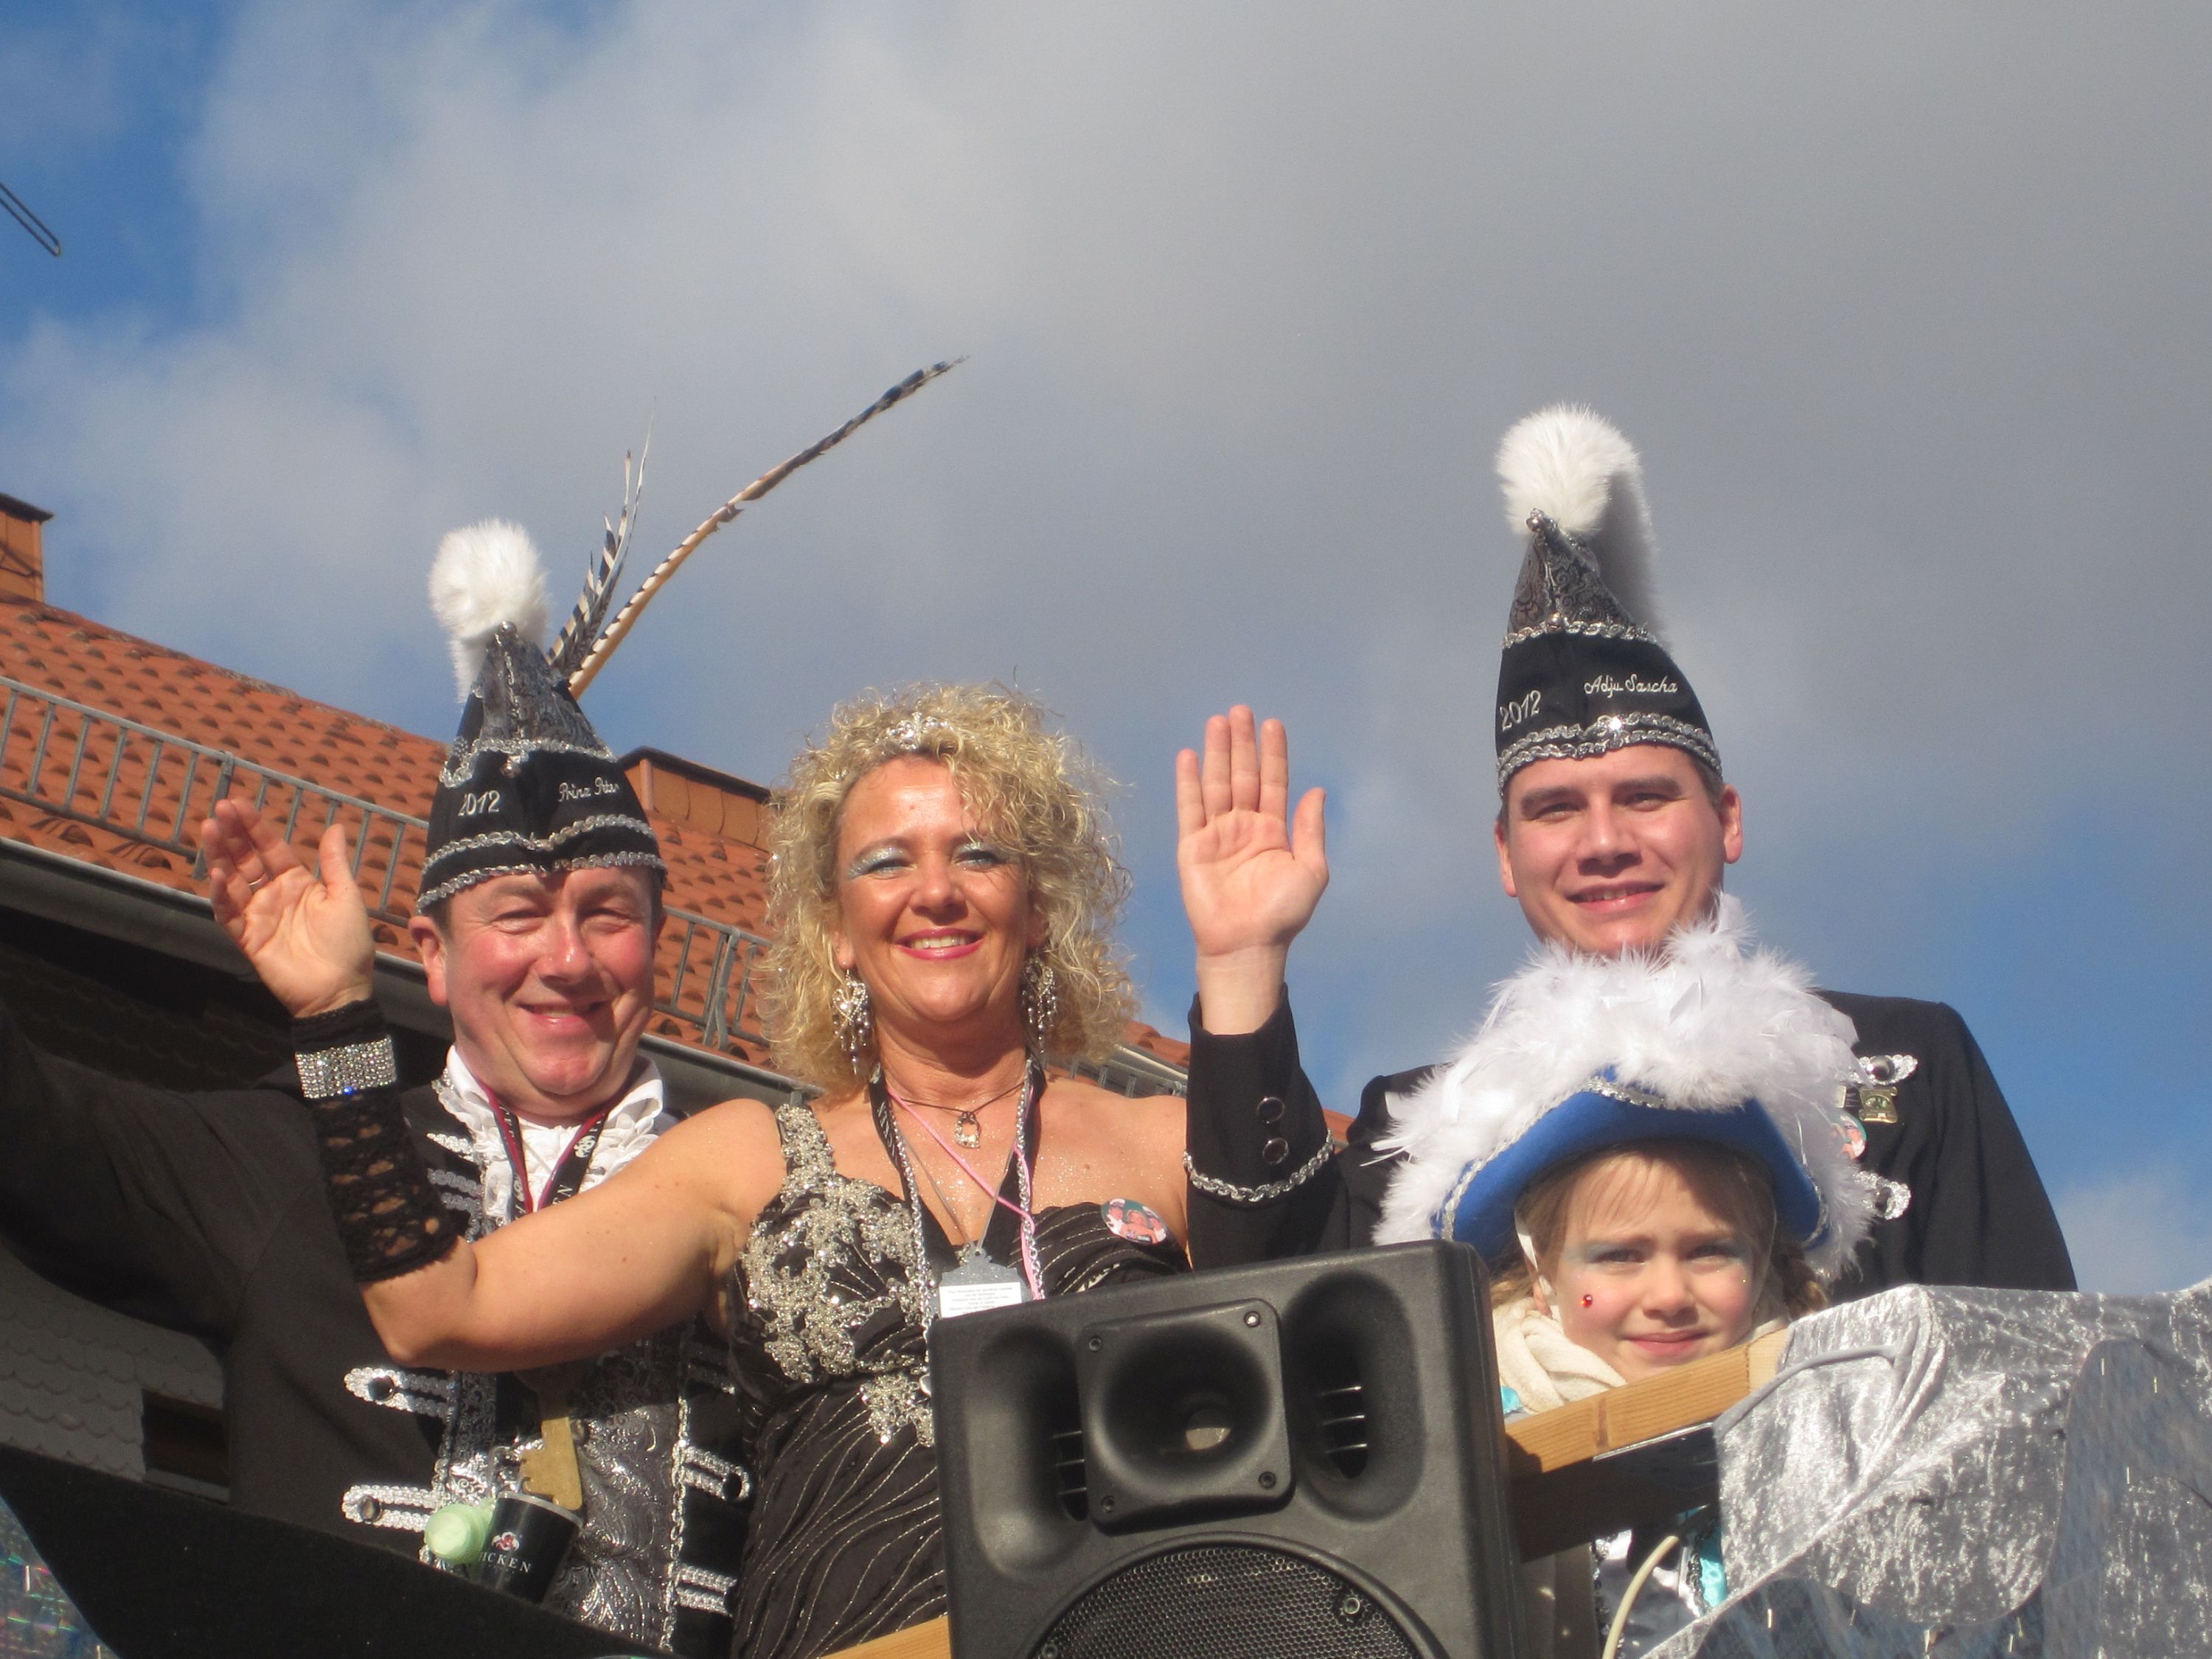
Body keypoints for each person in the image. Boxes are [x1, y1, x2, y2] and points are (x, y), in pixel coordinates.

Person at [208, 679, 1270, 1659]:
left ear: (1038, 907)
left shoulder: (1163, 1142)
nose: (936, 890)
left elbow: (1306, 1331)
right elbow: (437, 1307)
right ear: (837, 931)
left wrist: (1242, 964)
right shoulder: (746, 1157)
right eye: (886, 862)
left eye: (980, 854)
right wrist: (336, 1019)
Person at [0, 518, 751, 1658]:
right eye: (517, 912)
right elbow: (37, 1133)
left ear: (658, 946)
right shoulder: (296, 1158)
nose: (566, 958)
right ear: (432, 956)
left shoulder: (759, 1204)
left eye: (607, 912)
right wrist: (334, 1027)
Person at [1176, 406, 2075, 1296]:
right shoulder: (1420, 1133)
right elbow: (1269, 1313)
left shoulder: (1909, 1065)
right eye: (1556, 810)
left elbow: (2036, 1356)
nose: (1603, 843)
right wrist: (1242, 960)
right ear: (1505, 855)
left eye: (1645, 798)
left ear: (1727, 820)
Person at [1374, 893, 1872, 1656]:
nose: (1669, 1296)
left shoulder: (1843, 1435)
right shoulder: (1453, 1458)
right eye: (1619, 1257)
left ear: (1764, 1260)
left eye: (1710, 1252)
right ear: (1540, 1272)